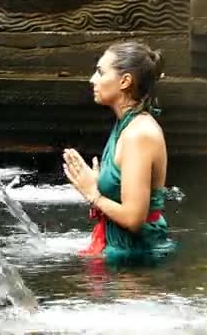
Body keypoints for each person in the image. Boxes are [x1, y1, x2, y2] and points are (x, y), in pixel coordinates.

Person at [62, 41, 176, 264]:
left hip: (137, 262)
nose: (92, 80)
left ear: (125, 81)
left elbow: (134, 218)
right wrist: (99, 181)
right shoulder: (125, 125)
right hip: (121, 253)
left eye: (100, 72)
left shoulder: (139, 135)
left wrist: (93, 194)